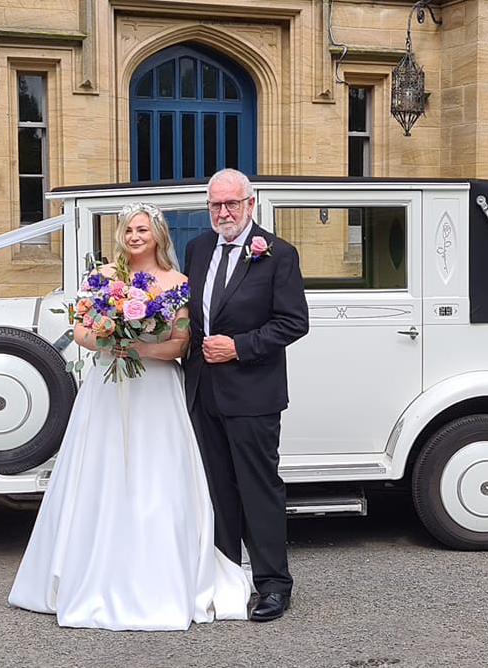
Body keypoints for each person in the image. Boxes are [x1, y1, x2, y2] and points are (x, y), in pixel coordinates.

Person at [8, 202, 250, 631]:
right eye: (128, 230)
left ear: (157, 234)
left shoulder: (178, 282)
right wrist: (109, 339)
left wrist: (138, 348)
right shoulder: (102, 279)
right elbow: (81, 330)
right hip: (107, 388)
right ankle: (92, 570)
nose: (135, 236)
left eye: (143, 229)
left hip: (156, 390)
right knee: (101, 472)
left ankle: (162, 577)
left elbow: (180, 344)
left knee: (157, 473)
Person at [183, 168, 310, 622]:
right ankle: (225, 583)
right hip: (201, 391)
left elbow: (294, 322)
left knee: (259, 489)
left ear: (250, 205)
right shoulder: (197, 249)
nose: (223, 213)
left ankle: (274, 585)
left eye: (231, 204)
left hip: (253, 392)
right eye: (216, 205)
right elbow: (192, 316)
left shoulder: (278, 254)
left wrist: (240, 346)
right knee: (216, 491)